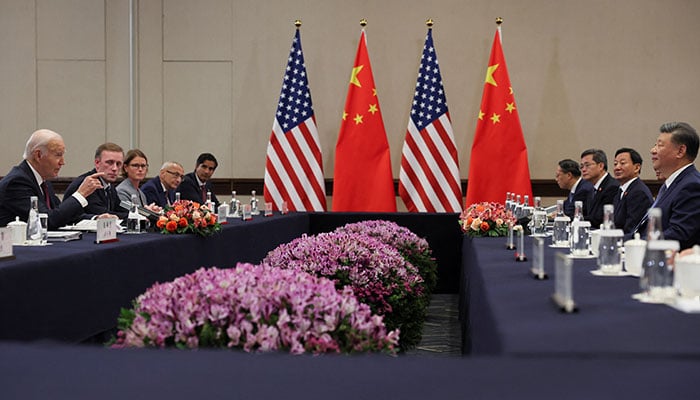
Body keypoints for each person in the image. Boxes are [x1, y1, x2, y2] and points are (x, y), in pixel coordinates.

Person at [0, 129, 105, 230]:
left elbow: (60, 214)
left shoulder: (43, 180)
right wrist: (80, 194)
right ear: (38, 155)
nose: (62, 162)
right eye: (58, 155)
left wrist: (96, 219)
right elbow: (47, 222)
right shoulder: (17, 182)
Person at [635, 122, 700, 249]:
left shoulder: (692, 185)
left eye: (659, 145)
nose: (652, 150)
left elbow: (678, 234)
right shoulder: (671, 184)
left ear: (680, 151)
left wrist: (637, 245)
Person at [64, 143, 128, 220]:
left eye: (118, 164)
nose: (115, 168)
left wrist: (142, 213)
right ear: (97, 163)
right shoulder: (87, 183)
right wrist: (137, 217)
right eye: (109, 162)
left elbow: (121, 209)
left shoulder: (109, 186)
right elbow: (101, 212)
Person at [612, 148, 653, 235]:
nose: (617, 167)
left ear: (637, 167)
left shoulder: (638, 192)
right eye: (615, 164)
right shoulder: (621, 190)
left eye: (622, 163)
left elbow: (632, 229)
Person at [580, 149, 620, 228]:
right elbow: (585, 214)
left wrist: (571, 219)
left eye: (587, 165)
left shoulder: (612, 187)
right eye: (581, 166)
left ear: (601, 166)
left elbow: (599, 219)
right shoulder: (592, 188)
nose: (583, 170)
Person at [116, 149, 162, 213]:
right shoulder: (122, 191)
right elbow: (128, 216)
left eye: (143, 166)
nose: (140, 169)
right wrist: (148, 213)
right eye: (135, 165)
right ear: (125, 167)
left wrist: (152, 212)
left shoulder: (141, 193)